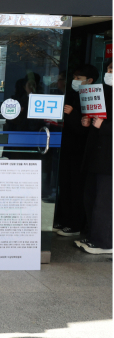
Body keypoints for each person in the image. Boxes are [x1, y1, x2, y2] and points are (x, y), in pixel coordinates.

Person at [53, 64, 98, 237]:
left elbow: (85, 128)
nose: (74, 81)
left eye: (78, 78)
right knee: (64, 185)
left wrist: (72, 114)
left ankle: (75, 223)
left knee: (76, 187)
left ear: (89, 81)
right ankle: (64, 219)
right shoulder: (72, 95)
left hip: (81, 150)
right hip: (66, 147)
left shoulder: (92, 98)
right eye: (74, 77)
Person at [76, 60, 112, 254]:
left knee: (104, 201)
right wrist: (87, 122)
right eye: (108, 69)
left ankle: (104, 242)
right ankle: (93, 236)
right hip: (96, 155)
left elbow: (106, 124)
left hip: (109, 159)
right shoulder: (105, 93)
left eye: (112, 70)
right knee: (91, 197)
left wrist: (103, 126)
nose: (109, 73)